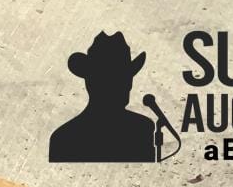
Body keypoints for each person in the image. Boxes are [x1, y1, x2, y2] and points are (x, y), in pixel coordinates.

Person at [49, 32, 158, 163]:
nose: (126, 85)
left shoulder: (63, 137)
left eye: (126, 78)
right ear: (92, 83)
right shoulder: (141, 129)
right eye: (116, 79)